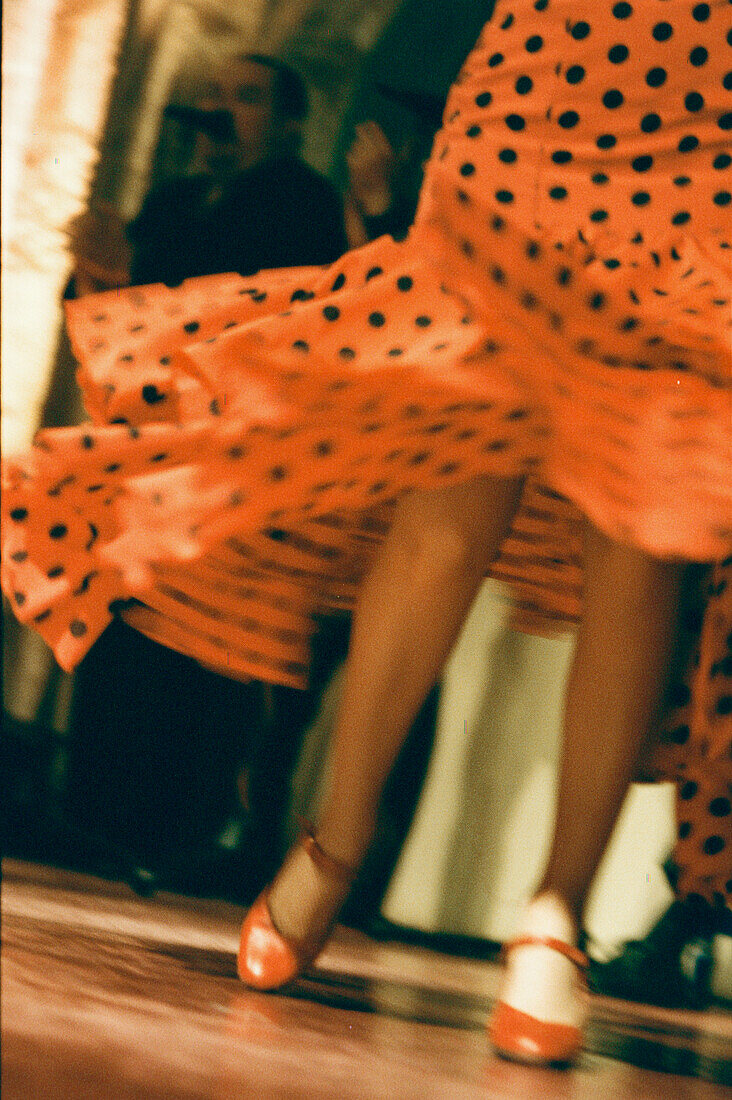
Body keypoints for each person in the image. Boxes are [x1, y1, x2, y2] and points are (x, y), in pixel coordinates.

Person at [3, 0, 730, 1069]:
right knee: (458, 460)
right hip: (551, 76)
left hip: (709, 101)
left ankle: (557, 916)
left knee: (645, 506)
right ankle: (334, 839)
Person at [59, 52, 350, 896]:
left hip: (225, 471)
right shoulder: (174, 198)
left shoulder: (299, 201)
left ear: (290, 120)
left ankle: (174, 834)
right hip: (140, 461)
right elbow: (110, 324)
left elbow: (273, 324)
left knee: (199, 655)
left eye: (247, 97)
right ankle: (95, 827)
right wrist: (103, 274)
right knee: (119, 636)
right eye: (213, 97)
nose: (222, 112)